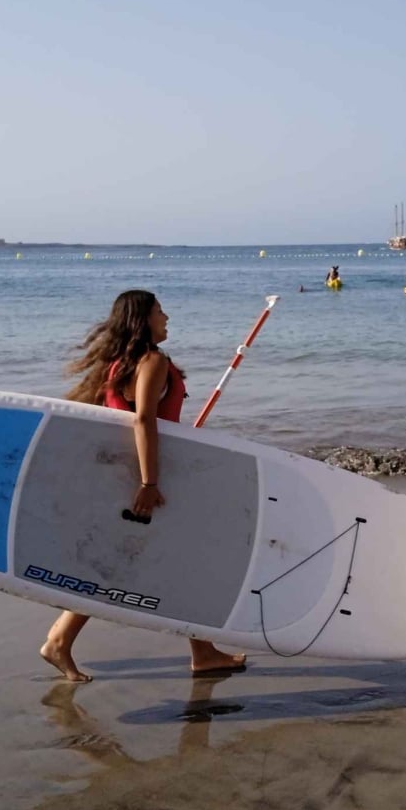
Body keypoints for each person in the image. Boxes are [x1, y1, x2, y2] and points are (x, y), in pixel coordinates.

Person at [40, 290, 248, 683]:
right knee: (177, 563)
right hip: (148, 482)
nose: (166, 317)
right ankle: (60, 641)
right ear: (143, 320)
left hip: (124, 479)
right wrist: (149, 482)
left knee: (127, 563)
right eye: (159, 311)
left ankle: (201, 652)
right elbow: (143, 421)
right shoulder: (152, 361)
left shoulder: (118, 365)